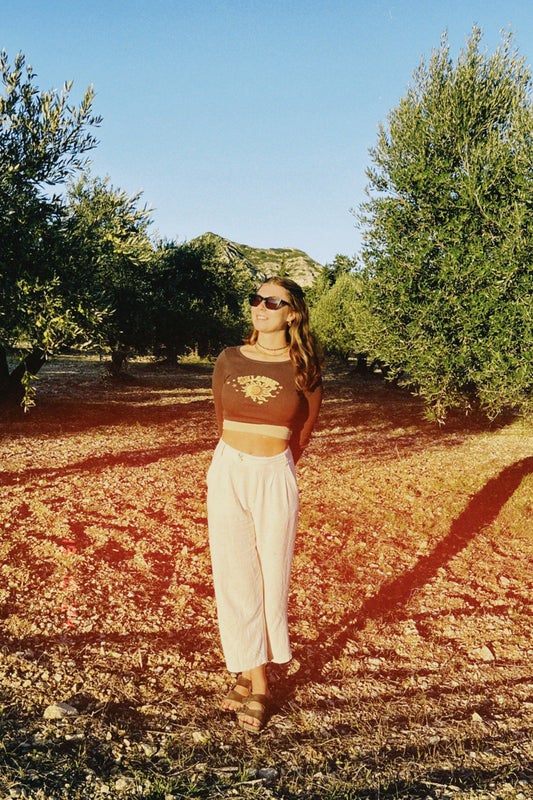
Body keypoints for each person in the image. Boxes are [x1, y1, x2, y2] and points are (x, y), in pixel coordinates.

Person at [207, 276, 323, 734]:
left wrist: (275, 466)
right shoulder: (229, 358)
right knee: (234, 574)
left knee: (272, 575)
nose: (261, 307)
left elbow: (305, 430)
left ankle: (251, 665)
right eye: (256, 299)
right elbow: (221, 417)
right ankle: (257, 680)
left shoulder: (304, 367)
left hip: (275, 472)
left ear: (292, 313)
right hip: (228, 469)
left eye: (273, 302)